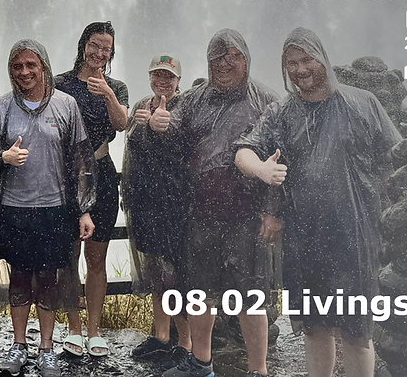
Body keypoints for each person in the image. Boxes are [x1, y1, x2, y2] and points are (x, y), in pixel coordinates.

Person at [235, 27, 401, 377]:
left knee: (357, 332)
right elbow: (243, 152)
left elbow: (393, 157)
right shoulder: (283, 112)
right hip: (305, 238)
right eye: (291, 62)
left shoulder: (362, 103)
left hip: (356, 235)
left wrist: (391, 214)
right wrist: (263, 170)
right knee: (315, 327)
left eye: (306, 58)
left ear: (322, 58)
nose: (299, 68)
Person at [150, 30, 280, 377]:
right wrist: (160, 127)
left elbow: (282, 159)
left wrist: (271, 210)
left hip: (248, 216)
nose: (223, 64)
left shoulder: (266, 100)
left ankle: (258, 370)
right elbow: (174, 139)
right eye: (216, 58)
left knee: (250, 296)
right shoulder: (194, 99)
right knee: (200, 291)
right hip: (202, 211)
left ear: (246, 59)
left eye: (232, 56)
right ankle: (201, 362)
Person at [0, 39, 96, 377]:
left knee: (48, 279)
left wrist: (84, 209)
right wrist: (4, 157)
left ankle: (46, 348)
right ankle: (18, 345)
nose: (24, 72)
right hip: (14, 209)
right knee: (19, 279)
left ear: (43, 66)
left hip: (54, 209)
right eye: (17, 67)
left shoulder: (66, 106)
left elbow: (82, 162)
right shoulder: (1, 108)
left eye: (31, 65)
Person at [53, 21, 128, 358]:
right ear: (84, 44)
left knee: (97, 258)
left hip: (102, 175)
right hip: (65, 177)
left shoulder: (117, 87)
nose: (100, 53)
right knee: (67, 257)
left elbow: (121, 124)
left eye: (106, 48)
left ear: (111, 53)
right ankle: (73, 327)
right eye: (95, 45)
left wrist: (108, 94)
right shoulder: (60, 84)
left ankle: (95, 330)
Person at [120, 53, 186, 361]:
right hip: (145, 203)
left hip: (176, 206)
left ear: (178, 81)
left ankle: (185, 343)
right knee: (157, 272)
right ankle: (161, 336)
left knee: (181, 276)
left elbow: (187, 151)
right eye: (157, 75)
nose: (161, 81)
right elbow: (131, 154)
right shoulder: (139, 106)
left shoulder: (185, 108)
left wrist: (164, 127)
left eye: (168, 77)